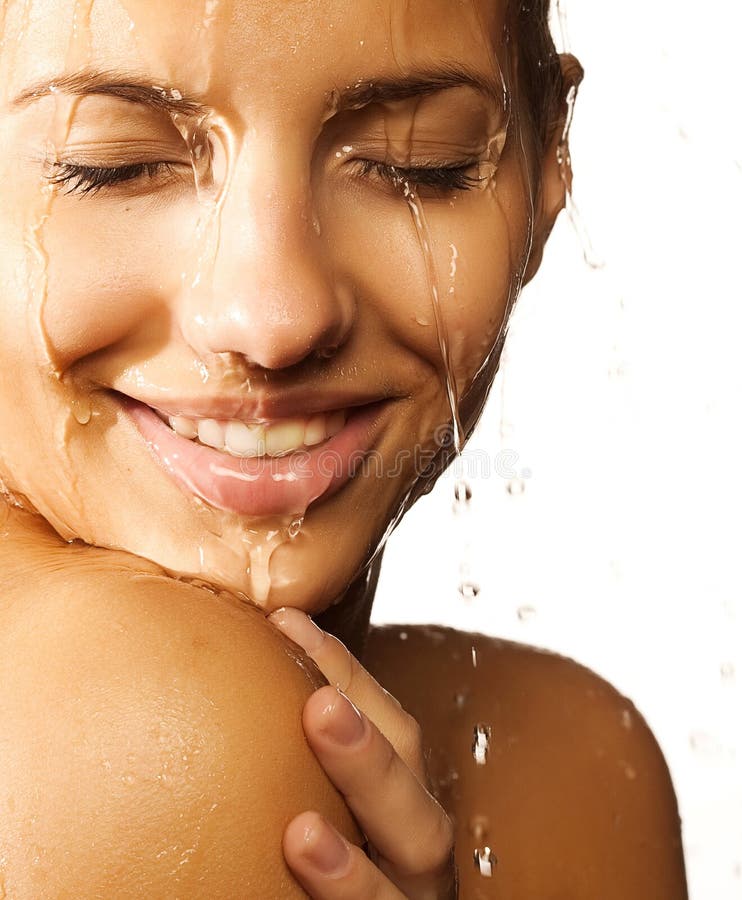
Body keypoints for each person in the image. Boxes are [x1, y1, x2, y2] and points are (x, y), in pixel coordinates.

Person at [0, 0, 688, 897]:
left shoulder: (571, 765)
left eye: (417, 165)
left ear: (549, 164)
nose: (275, 317)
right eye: (114, 167)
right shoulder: (143, 738)